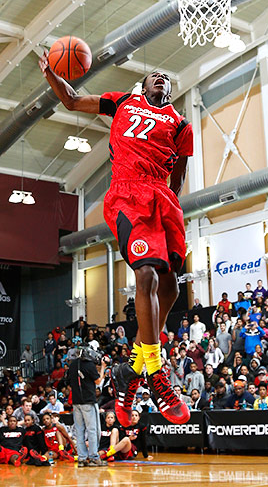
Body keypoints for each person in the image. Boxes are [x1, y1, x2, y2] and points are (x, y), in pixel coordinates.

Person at [39, 53, 193, 427]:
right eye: (153, 74)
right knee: (146, 274)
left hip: (162, 197)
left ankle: (131, 370)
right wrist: (51, 75)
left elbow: (179, 175)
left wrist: (170, 203)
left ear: (171, 90)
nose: (160, 77)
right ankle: (155, 370)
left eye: (166, 76)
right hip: (127, 193)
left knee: (171, 287)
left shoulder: (181, 124)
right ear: (142, 85)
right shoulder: (123, 101)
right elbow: (72, 100)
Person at [68, 350, 108, 467]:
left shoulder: (72, 364)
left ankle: (82, 458)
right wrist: (103, 367)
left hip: (76, 402)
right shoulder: (89, 365)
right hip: (88, 401)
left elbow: (69, 382)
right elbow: (98, 381)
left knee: (79, 431)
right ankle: (94, 457)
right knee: (93, 430)